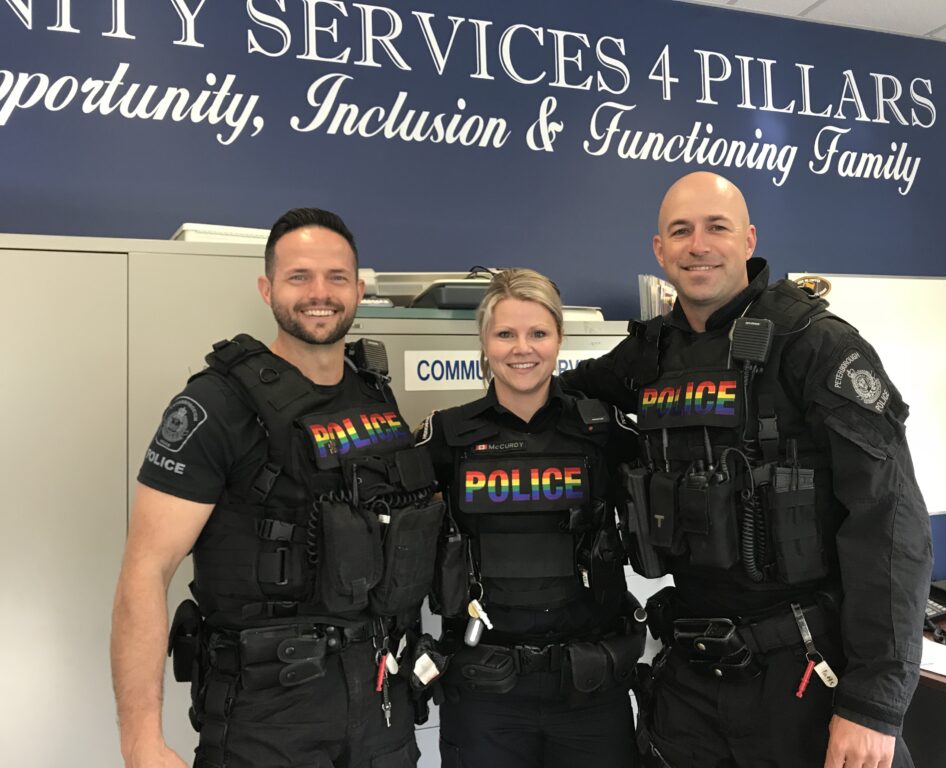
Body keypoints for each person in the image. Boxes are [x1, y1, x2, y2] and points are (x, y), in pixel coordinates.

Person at [561, 172, 932, 768]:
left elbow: (889, 522)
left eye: (717, 228)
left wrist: (873, 704)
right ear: (660, 250)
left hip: (806, 677)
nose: (698, 245)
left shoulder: (814, 344)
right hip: (691, 681)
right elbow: (555, 399)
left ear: (749, 238)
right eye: (680, 232)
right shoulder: (650, 354)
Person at [111, 208, 441, 768]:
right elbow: (145, 571)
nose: (320, 293)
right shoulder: (216, 405)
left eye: (337, 277)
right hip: (269, 711)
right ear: (267, 288)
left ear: (358, 289)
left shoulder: (374, 395)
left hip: (381, 699)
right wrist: (140, 740)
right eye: (299, 277)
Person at [414, 269, 645, 768]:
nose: (523, 349)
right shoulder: (445, 439)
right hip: (485, 693)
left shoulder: (604, 432)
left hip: (589, 689)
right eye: (506, 334)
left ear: (559, 339)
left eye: (538, 333)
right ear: (485, 341)